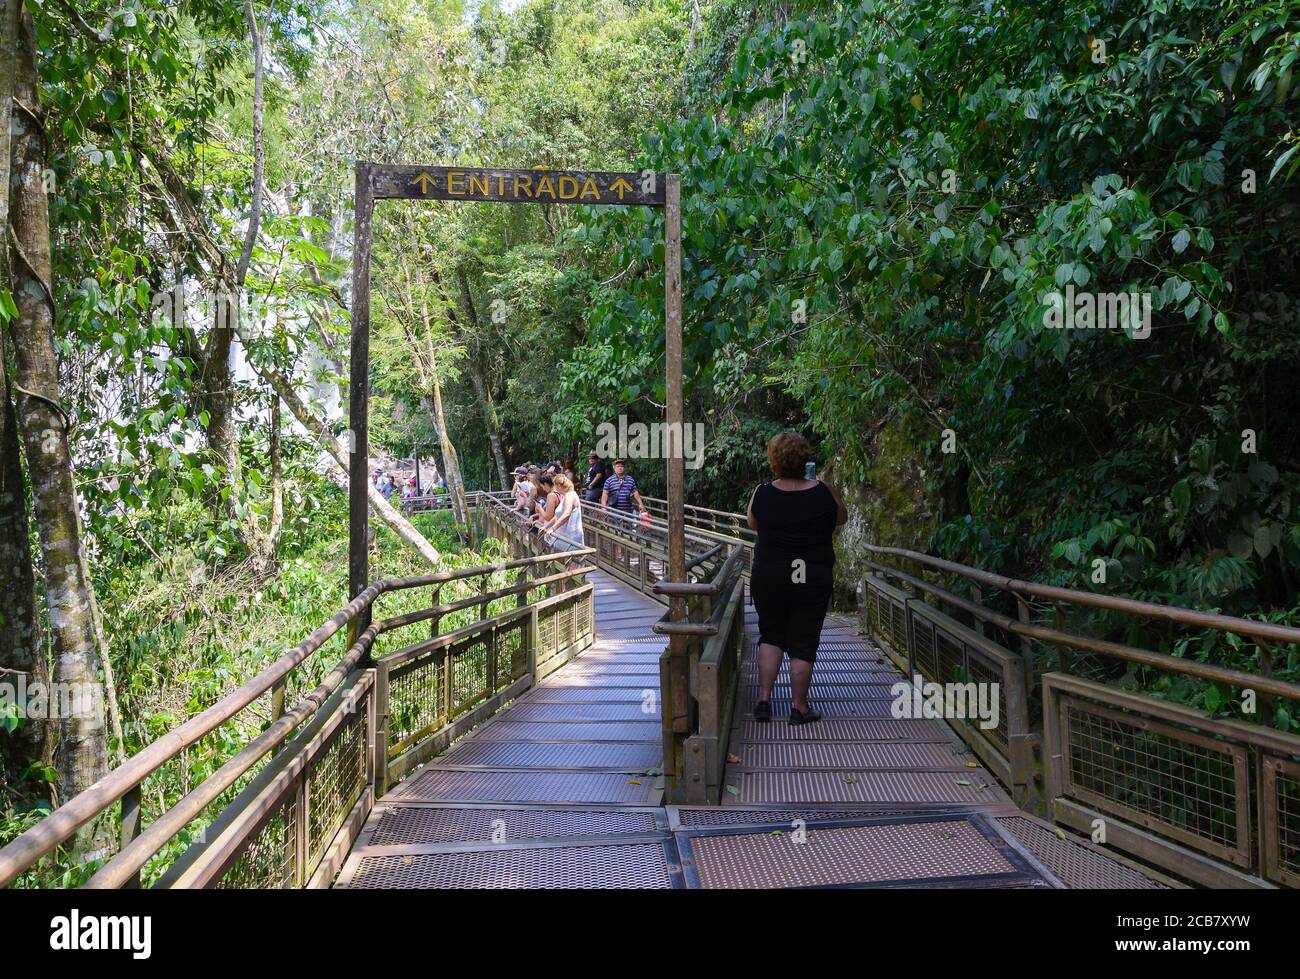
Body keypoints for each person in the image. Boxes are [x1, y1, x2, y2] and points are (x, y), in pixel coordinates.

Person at [746, 431, 847, 726]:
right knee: (803, 641)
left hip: (770, 574)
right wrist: (827, 489)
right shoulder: (822, 491)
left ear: (773, 459)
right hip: (810, 575)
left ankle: (764, 701)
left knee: (771, 634)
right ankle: (798, 707)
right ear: (805, 459)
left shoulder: (762, 492)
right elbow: (841, 518)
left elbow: (753, 522)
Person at [600, 458, 648, 531]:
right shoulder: (609, 480)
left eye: (621, 466)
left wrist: (640, 504)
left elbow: (635, 492)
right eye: (618, 466)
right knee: (618, 529)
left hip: (628, 509)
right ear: (614, 468)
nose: (620, 468)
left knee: (630, 529)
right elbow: (605, 494)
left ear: (624, 468)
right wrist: (603, 507)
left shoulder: (630, 479)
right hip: (615, 510)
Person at [545, 473, 585, 551]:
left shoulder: (570, 495)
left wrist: (552, 528)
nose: (555, 488)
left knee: (571, 561)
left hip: (570, 537)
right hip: (562, 537)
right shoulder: (565, 496)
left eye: (555, 486)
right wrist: (546, 526)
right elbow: (558, 515)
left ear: (559, 486)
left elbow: (567, 514)